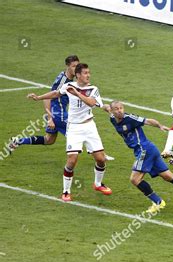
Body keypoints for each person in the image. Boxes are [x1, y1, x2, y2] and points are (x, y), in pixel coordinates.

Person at [27, 63, 112, 201]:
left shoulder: (93, 89)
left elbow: (91, 103)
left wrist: (77, 93)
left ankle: (97, 184)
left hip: (90, 126)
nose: (88, 75)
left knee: (101, 159)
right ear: (78, 75)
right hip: (74, 128)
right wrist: (39, 97)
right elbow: (55, 93)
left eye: (89, 72)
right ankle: (66, 191)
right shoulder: (68, 86)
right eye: (85, 73)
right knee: (72, 160)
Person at [105, 101, 173, 212]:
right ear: (113, 111)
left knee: (134, 179)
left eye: (121, 108)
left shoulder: (130, 118)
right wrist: (98, 104)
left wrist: (160, 126)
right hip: (148, 150)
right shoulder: (112, 117)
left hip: (145, 150)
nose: (120, 111)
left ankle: (158, 202)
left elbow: (148, 121)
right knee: (167, 176)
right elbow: (106, 108)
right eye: (117, 109)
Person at [9, 55, 79, 149]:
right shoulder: (63, 81)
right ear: (67, 66)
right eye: (74, 66)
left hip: (55, 112)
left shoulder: (66, 77)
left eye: (77, 66)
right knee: (77, 136)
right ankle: (100, 156)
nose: (76, 69)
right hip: (59, 115)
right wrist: (50, 118)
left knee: (49, 140)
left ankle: (18, 141)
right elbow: (48, 98)